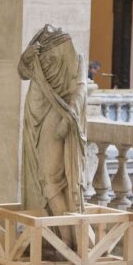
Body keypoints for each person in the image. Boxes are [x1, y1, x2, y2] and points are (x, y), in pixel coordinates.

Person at [18, 25, 87, 246]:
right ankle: (57, 236)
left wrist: (70, 118)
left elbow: (80, 88)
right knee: (42, 178)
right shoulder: (38, 47)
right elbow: (22, 72)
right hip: (34, 117)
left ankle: (66, 239)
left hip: (56, 114)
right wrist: (26, 57)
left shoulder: (70, 51)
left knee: (51, 180)